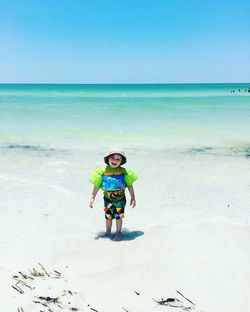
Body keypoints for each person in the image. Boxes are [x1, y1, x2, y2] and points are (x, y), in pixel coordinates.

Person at [89, 149, 137, 241]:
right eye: (112, 158)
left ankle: (118, 233)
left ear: (121, 161)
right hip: (107, 199)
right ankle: (108, 232)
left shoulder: (123, 172)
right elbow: (97, 185)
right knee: (108, 217)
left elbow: (130, 185)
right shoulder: (102, 171)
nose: (115, 161)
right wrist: (92, 197)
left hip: (120, 199)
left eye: (118, 159)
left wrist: (133, 197)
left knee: (118, 217)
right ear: (107, 159)